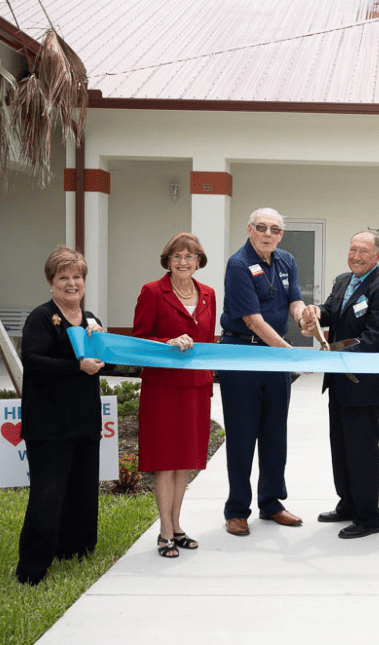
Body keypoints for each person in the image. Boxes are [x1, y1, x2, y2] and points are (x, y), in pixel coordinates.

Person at [15, 247, 105, 585]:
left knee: (82, 490)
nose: (71, 284)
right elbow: (34, 361)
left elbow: (102, 363)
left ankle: (74, 549)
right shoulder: (41, 317)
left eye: (77, 277)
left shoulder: (92, 318)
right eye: (63, 277)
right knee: (47, 494)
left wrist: (100, 351)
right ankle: (32, 567)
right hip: (50, 425)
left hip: (84, 421)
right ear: (51, 283)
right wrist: (76, 366)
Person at [301, 232, 379, 539]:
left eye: (364, 251)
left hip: (364, 384)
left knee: (363, 452)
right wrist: (317, 311)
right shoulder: (343, 280)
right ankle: (347, 503)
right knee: (341, 448)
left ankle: (369, 517)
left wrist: (334, 352)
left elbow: (375, 338)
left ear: (378, 257)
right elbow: (332, 311)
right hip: (339, 381)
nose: (357, 255)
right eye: (353, 249)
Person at [219, 208, 306, 536]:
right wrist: (291, 354)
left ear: (281, 234)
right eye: (262, 228)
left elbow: (294, 301)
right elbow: (253, 320)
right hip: (243, 353)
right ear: (250, 229)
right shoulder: (238, 264)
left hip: (276, 358)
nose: (268, 234)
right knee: (242, 435)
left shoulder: (286, 260)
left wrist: (303, 316)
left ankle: (271, 503)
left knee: (274, 434)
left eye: (275, 229)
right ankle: (237, 509)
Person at [132, 233, 216, 558]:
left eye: (190, 257)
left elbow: (207, 342)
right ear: (168, 260)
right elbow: (140, 340)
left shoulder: (208, 294)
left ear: (198, 262)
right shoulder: (152, 292)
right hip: (163, 388)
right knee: (165, 462)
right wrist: (167, 341)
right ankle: (164, 532)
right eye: (177, 256)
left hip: (195, 388)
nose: (183, 262)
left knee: (184, 462)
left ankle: (177, 526)